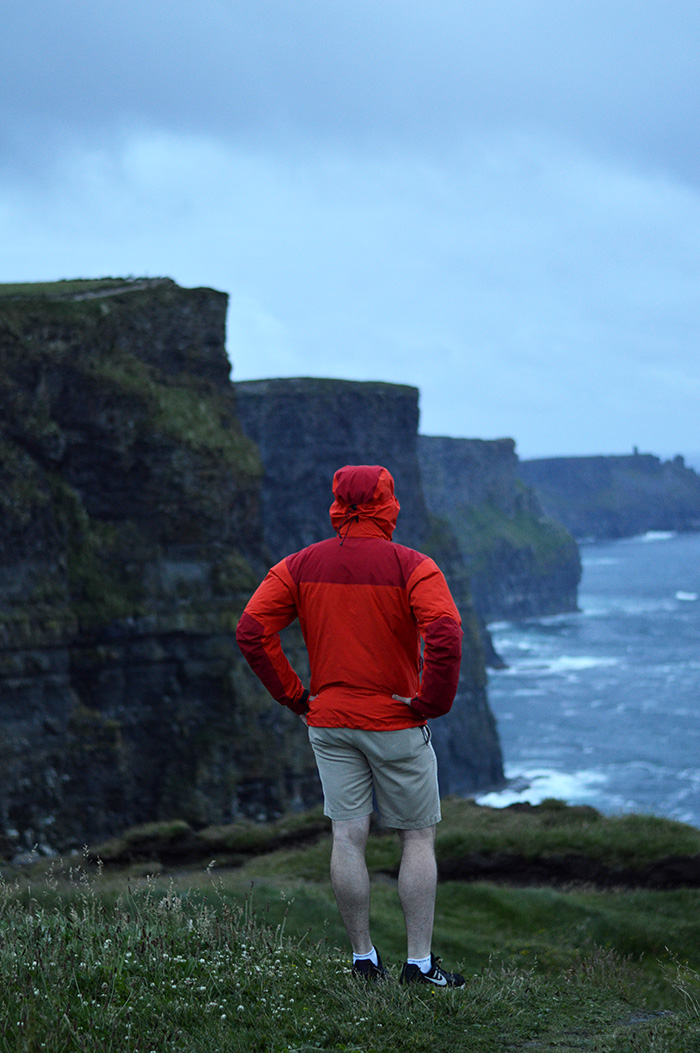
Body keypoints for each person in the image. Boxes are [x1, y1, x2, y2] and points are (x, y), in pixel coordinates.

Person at [236, 464, 465, 987]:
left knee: (347, 836)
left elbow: (251, 631)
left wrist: (297, 697)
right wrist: (431, 702)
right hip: (395, 720)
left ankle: (363, 960)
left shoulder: (298, 565)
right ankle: (420, 965)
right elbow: (446, 635)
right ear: (388, 503)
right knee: (417, 837)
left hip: (330, 722)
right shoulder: (415, 566)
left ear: (337, 503)